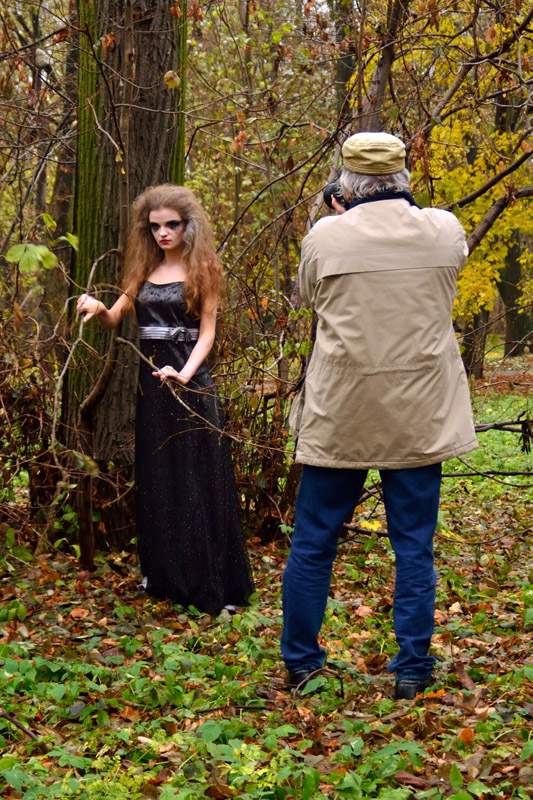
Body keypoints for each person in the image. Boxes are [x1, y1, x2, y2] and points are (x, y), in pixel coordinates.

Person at [282, 132, 478, 699]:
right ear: (403, 176)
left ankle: (302, 664)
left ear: (346, 181)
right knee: (413, 545)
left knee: (314, 541)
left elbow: (308, 297)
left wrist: (338, 219)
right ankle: (413, 669)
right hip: (420, 412)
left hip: (341, 411)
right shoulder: (443, 228)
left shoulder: (324, 236)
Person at [77, 184, 254, 614]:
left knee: (197, 481)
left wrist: (185, 375)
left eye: (172, 225)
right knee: (160, 480)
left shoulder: (204, 268)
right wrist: (96, 306)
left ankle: (209, 584)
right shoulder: (142, 270)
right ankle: (166, 578)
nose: (163, 234)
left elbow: (207, 333)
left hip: (189, 388)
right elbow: (114, 319)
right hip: (151, 390)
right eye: (155, 226)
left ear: (188, 225)